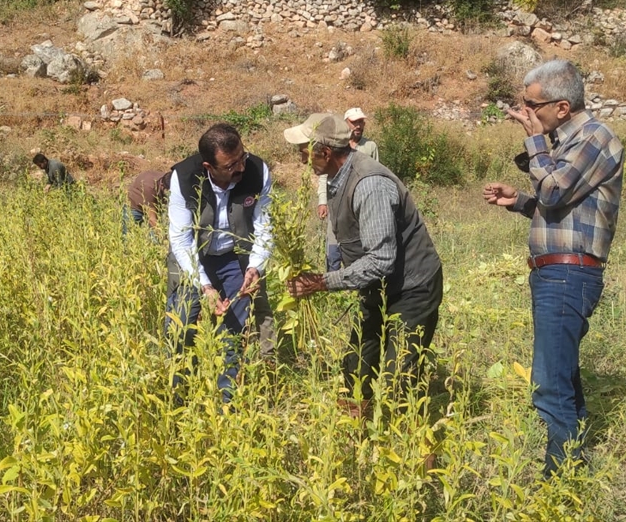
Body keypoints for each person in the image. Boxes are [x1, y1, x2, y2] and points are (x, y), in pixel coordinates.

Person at [482, 59, 624, 476]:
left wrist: (535, 142)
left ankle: (559, 478)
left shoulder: (595, 137)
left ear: (562, 107)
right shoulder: (569, 139)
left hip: (568, 275)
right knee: (562, 374)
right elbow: (560, 210)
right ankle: (572, 463)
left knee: (548, 383)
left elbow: (555, 190)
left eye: (532, 105)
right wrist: (519, 201)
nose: (526, 113)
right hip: (557, 273)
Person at [285, 113, 443, 418]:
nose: (301, 158)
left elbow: (381, 260)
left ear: (325, 152)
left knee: (400, 377)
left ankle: (408, 440)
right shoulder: (336, 177)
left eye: (304, 151)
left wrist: (322, 282)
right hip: (378, 287)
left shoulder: (370, 185)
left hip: (412, 288)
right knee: (356, 365)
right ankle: (357, 434)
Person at [167, 123, 273, 403]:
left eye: (242, 158)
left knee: (235, 331)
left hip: (235, 258)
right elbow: (181, 240)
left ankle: (228, 402)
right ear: (208, 167)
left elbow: (264, 227)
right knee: (180, 329)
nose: (240, 168)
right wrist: (205, 287)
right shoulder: (184, 177)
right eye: (230, 166)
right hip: (192, 258)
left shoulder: (258, 171)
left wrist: (255, 266)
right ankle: (179, 400)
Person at [317, 108, 380, 272]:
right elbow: (324, 175)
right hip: (336, 203)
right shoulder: (336, 145)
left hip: (359, 205)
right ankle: (332, 282)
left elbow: (376, 174)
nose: (358, 126)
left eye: (361, 122)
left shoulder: (370, 146)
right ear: (346, 123)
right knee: (333, 251)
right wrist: (322, 201)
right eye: (354, 122)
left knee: (357, 250)